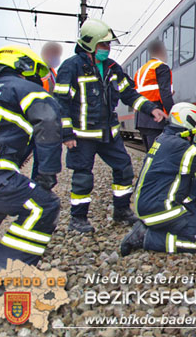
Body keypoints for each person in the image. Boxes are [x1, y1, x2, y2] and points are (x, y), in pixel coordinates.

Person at [54, 18, 166, 233]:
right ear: (90, 44)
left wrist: (151, 109)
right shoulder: (71, 67)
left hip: (108, 134)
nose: (108, 48)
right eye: (103, 44)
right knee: (83, 178)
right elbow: (61, 103)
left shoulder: (113, 67)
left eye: (108, 45)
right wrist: (66, 133)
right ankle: (77, 219)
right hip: (82, 136)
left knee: (124, 169)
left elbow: (129, 94)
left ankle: (121, 211)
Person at [0, 46, 62, 303]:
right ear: (26, 67)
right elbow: (48, 124)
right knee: (44, 206)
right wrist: (45, 175)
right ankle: (1, 278)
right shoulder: (27, 90)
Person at [120, 102, 196, 256]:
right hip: (158, 209)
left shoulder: (167, 139)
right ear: (187, 125)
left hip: (149, 203)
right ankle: (145, 237)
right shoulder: (178, 146)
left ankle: (183, 221)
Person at [134, 40, 174, 151]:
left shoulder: (141, 70)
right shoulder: (161, 67)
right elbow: (165, 94)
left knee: (150, 154)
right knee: (158, 155)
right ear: (161, 51)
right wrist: (173, 114)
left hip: (141, 118)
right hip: (156, 117)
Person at [31, 41, 63, 180]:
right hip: (39, 118)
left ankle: (40, 186)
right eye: (53, 54)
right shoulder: (38, 70)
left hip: (48, 120)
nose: (56, 57)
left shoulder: (53, 73)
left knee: (44, 157)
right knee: (40, 157)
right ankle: (37, 186)